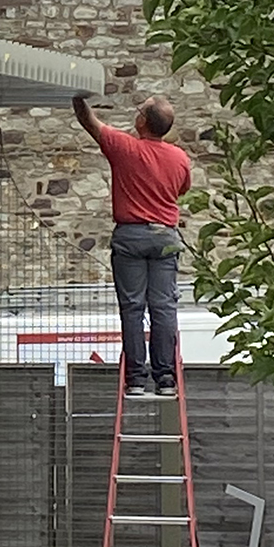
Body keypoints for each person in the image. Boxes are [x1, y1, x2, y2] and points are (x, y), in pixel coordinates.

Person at [72, 94, 193, 396]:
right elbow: (182, 189)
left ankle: (136, 379)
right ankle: (165, 378)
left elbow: (88, 120)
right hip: (165, 237)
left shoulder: (124, 147)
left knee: (133, 308)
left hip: (130, 237)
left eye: (140, 110)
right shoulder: (179, 157)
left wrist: (78, 93)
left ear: (142, 121)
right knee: (164, 308)